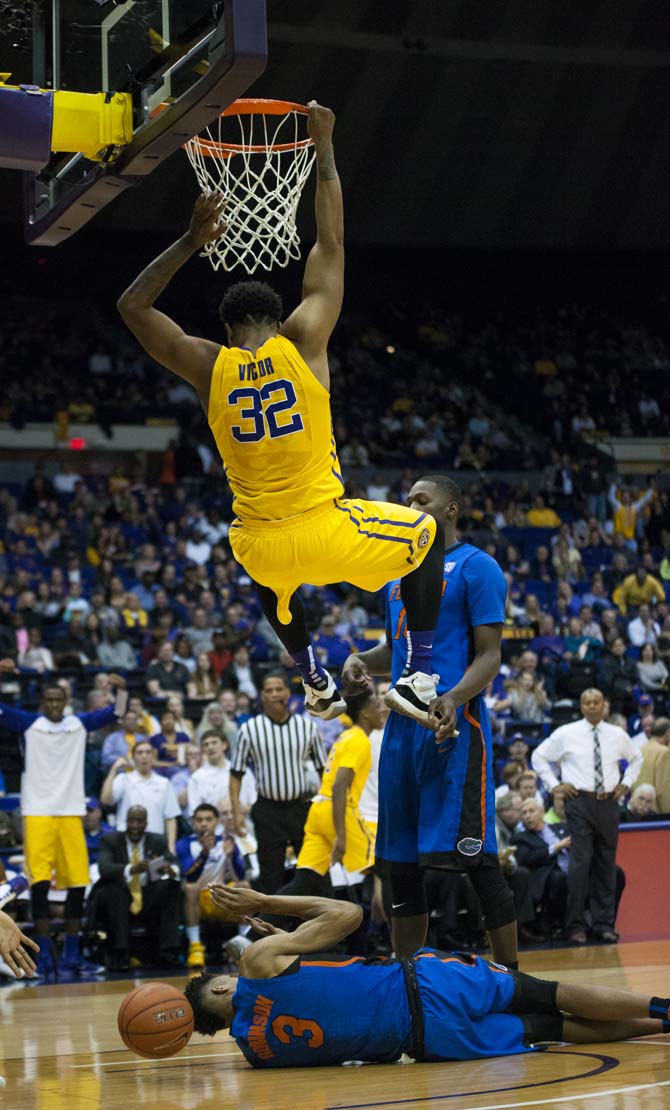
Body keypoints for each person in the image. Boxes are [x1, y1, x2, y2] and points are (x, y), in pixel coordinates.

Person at [117, 102, 445, 726]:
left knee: (265, 565)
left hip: (262, 545)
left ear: (225, 326)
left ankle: (312, 678)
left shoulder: (206, 364)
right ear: (279, 318)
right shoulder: (305, 341)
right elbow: (331, 242)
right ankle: (420, 675)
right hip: (324, 527)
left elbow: (132, 306)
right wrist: (323, 145)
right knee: (426, 537)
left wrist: (191, 240)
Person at [183, 886, 670, 1066]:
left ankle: (663, 1027)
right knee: (550, 993)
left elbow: (303, 997)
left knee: (556, 1030)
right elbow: (348, 914)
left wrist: (283, 944)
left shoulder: (257, 1052)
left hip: (432, 1042)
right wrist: (266, 904)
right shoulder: (254, 964)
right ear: (223, 984)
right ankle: (662, 1010)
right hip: (425, 985)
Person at [343, 475, 518, 968]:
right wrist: (362, 657)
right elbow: (396, 649)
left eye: (423, 498)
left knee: (476, 858)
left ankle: (515, 982)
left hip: (453, 724)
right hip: (400, 731)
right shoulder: (396, 573)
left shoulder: (477, 568)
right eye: (407, 498)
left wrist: (456, 697)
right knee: (401, 865)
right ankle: (408, 983)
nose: (411, 504)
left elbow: (489, 655)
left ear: (452, 509)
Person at [0, 674, 127, 978]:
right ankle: (42, 956)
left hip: (71, 810)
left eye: (59, 699)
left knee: (77, 884)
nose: (55, 704)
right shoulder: (29, 723)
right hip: (38, 811)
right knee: (39, 884)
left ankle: (72, 955)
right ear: (43, 703)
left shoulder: (78, 723)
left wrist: (121, 689)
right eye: (50, 700)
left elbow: (119, 712)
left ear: (66, 702)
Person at [532, 688, 642, 945]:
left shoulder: (617, 734)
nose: (592, 706)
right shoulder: (566, 733)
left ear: (604, 705)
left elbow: (636, 758)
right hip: (578, 801)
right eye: (587, 703)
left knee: (606, 865)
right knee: (579, 865)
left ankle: (604, 924)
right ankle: (575, 925)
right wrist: (553, 784)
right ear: (581, 707)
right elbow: (538, 756)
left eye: (597, 702)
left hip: (608, 802)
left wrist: (626, 783)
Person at [229, 672, 327, 894]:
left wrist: (325, 805)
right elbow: (236, 774)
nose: (274, 694)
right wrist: (236, 814)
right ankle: (273, 927)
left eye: (278, 689)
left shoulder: (307, 727)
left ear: (288, 693)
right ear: (262, 696)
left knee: (313, 871)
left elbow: (324, 770)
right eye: (269, 690)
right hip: (268, 810)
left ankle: (316, 925)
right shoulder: (249, 729)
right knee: (271, 877)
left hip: (301, 808)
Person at [90, 804, 181, 971]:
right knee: (114, 890)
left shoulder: (158, 840)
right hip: (119, 898)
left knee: (171, 886)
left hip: (147, 897)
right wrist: (132, 869)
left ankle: (169, 953)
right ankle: (120, 954)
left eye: (140, 821)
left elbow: (174, 864)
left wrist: (170, 870)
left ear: (146, 824)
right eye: (131, 821)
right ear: (126, 822)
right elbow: (104, 868)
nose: (135, 826)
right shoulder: (110, 840)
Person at [177, 802, 246, 970]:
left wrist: (230, 857)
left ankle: (245, 944)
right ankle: (195, 947)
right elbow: (189, 875)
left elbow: (240, 875)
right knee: (191, 887)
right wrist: (204, 854)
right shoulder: (185, 844)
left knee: (245, 885)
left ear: (217, 821)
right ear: (193, 823)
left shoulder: (227, 842)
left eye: (208, 819)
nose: (204, 823)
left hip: (220, 898)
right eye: (199, 820)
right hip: (197, 901)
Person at [100, 739, 181, 852]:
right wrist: (114, 769)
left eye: (148, 752)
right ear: (133, 758)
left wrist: (171, 846)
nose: (144, 756)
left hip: (155, 840)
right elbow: (106, 800)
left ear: (153, 757)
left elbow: (171, 817)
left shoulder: (164, 783)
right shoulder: (124, 779)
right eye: (140, 752)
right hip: (126, 841)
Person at [510, 799, 570, 937]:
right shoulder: (520, 838)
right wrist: (556, 847)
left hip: (573, 867)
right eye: (524, 813)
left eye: (531, 811)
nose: (528, 816)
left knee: (615, 873)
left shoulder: (562, 827)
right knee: (558, 878)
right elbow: (526, 859)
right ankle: (556, 924)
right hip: (545, 875)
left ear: (542, 812)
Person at [187, 730, 256, 819]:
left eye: (214, 743)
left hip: (244, 824)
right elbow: (194, 813)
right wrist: (217, 810)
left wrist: (241, 808)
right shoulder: (196, 778)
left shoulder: (243, 772)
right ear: (203, 750)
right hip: (214, 829)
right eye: (206, 744)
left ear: (224, 745)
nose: (210, 747)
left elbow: (255, 805)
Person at [633, 717, 670, 811]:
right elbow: (663, 790)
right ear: (667, 734)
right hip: (656, 813)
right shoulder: (664, 752)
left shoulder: (639, 750)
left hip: (637, 810)